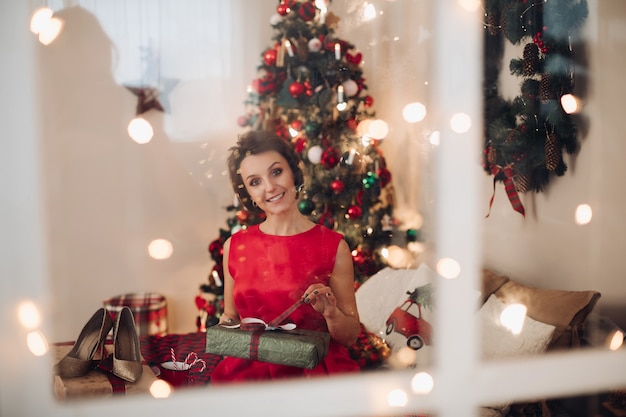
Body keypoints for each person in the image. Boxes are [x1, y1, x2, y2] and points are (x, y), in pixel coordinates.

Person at [210, 130, 361, 383]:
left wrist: (331, 313)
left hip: (313, 373)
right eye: (255, 181)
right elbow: (231, 317)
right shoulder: (235, 246)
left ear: (294, 172)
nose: (270, 187)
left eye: (276, 171)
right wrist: (225, 330)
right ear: (247, 193)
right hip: (250, 372)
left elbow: (350, 336)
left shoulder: (334, 246)